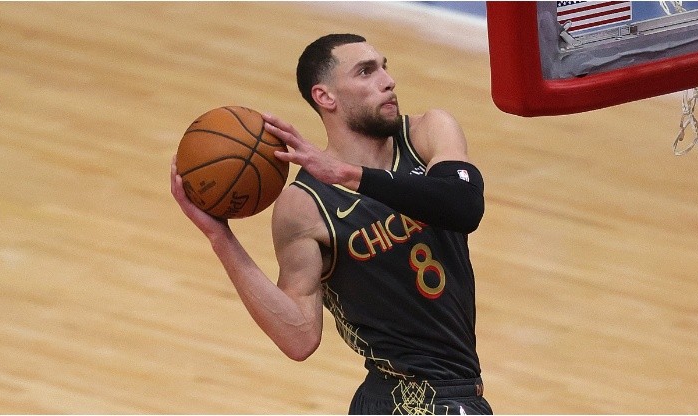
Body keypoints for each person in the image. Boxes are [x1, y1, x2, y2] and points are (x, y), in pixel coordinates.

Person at [170, 33, 491, 415]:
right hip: (399, 397)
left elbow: (464, 206)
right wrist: (219, 236)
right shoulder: (305, 205)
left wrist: (349, 174)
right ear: (325, 97)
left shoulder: (426, 134)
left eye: (384, 67)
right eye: (366, 72)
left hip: (455, 391)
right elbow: (299, 337)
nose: (387, 80)